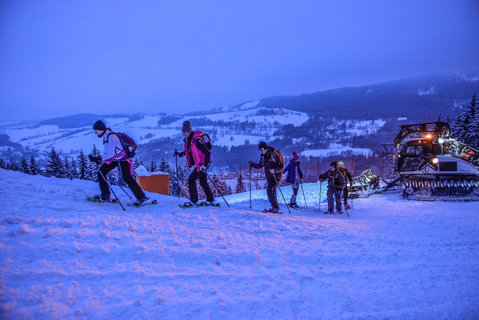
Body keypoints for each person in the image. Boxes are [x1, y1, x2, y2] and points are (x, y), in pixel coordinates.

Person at [88, 120, 149, 206]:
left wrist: (99, 158)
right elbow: (110, 153)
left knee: (126, 177)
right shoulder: (107, 136)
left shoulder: (111, 137)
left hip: (122, 159)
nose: (95, 133)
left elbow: (110, 154)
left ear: (101, 129)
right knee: (101, 172)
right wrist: (98, 158)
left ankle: (142, 197)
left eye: (96, 131)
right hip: (116, 159)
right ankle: (105, 196)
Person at [174, 121, 218, 207]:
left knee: (191, 179)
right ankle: (211, 200)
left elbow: (207, 152)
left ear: (187, 132)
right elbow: (189, 151)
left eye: (184, 133)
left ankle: (194, 201)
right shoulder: (190, 141)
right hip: (200, 164)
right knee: (203, 181)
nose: (183, 135)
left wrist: (204, 166)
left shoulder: (197, 140)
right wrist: (179, 154)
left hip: (203, 163)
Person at [249, 142, 284, 213]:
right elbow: (260, 165)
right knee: (272, 191)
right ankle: (275, 207)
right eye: (260, 150)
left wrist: (274, 170)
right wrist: (252, 164)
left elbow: (281, 166)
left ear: (266, 148)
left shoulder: (274, 154)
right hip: (269, 176)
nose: (261, 151)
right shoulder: (263, 156)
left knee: (270, 190)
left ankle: (275, 207)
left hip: (276, 176)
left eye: (262, 149)